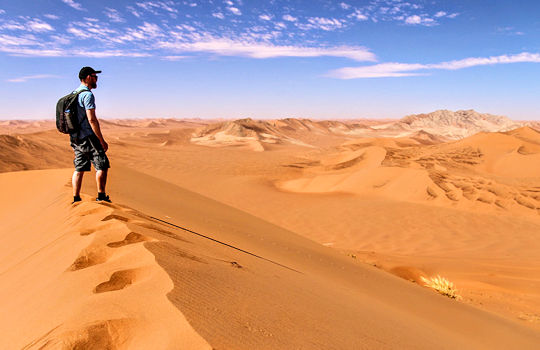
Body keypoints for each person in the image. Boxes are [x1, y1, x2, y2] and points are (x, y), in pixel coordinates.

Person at [70, 66, 111, 203]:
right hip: (88, 136)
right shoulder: (87, 95)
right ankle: (101, 196)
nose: (96, 80)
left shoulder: (73, 94)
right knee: (102, 165)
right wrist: (101, 140)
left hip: (76, 138)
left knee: (79, 168)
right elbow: (92, 119)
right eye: (95, 77)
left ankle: (76, 198)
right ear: (88, 77)